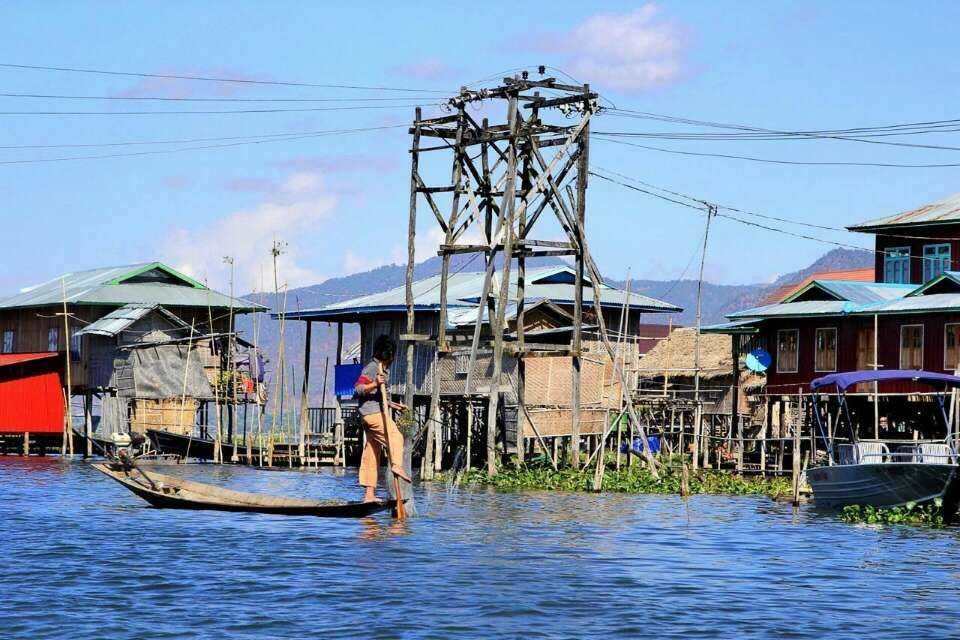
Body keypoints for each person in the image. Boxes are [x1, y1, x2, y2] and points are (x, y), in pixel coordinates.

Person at [354, 334, 411, 503]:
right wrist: (375, 383)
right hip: (373, 414)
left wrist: (395, 406)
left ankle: (369, 495)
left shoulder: (383, 370)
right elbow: (358, 389)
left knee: (372, 452)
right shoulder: (372, 368)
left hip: (371, 414)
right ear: (389, 355)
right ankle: (397, 466)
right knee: (396, 437)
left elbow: (380, 397)